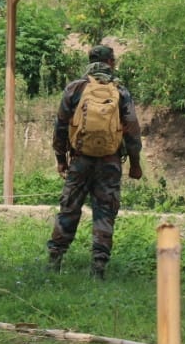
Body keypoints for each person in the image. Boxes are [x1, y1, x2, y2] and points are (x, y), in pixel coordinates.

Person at [47, 44, 143, 280]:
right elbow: (132, 129)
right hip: (109, 163)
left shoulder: (75, 88)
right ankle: (98, 268)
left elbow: (60, 126)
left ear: (89, 61)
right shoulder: (120, 91)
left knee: (69, 209)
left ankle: (54, 261)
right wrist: (135, 163)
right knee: (104, 213)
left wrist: (61, 159)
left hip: (79, 161)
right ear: (110, 63)